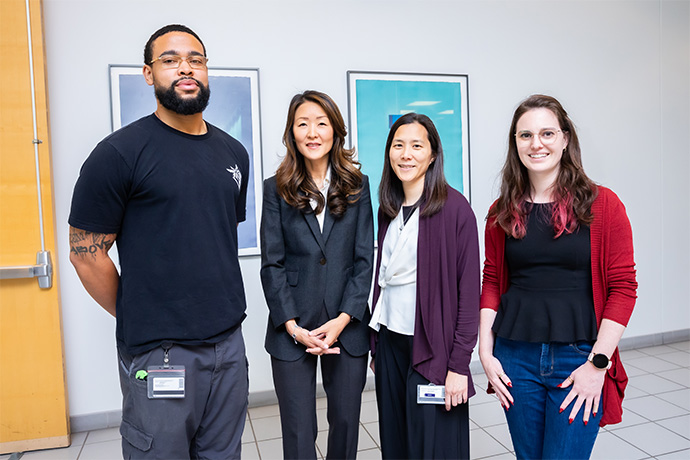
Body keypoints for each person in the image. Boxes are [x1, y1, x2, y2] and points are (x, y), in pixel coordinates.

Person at [69, 24, 250, 459]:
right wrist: (142, 313)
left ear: (206, 70)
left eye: (195, 59)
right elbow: (86, 256)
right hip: (160, 353)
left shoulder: (233, 153)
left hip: (228, 344)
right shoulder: (118, 154)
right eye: (170, 60)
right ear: (149, 74)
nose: (185, 68)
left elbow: (214, 237)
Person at [479, 94, 638, 459]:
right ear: (515, 143)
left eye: (547, 133)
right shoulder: (501, 211)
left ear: (565, 139)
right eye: (526, 135)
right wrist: (485, 352)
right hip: (515, 358)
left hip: (579, 358)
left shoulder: (603, 205)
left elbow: (623, 289)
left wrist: (598, 365)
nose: (536, 144)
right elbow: (492, 281)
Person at [260, 90, 374, 459]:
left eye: (321, 123)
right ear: (291, 133)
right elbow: (272, 264)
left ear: (335, 131)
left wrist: (342, 319)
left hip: (347, 323)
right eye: (303, 124)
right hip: (292, 326)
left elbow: (364, 261)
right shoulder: (275, 189)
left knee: (345, 422)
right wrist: (292, 326)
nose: (312, 132)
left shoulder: (358, 187)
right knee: (298, 429)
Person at [368, 113, 480, 459]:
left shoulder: (455, 209)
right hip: (390, 344)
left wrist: (459, 366)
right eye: (398, 145)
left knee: (433, 446)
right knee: (396, 442)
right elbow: (383, 281)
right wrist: (376, 348)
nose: (406, 154)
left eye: (417, 146)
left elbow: (468, 296)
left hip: (433, 350)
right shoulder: (388, 209)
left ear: (432, 155)